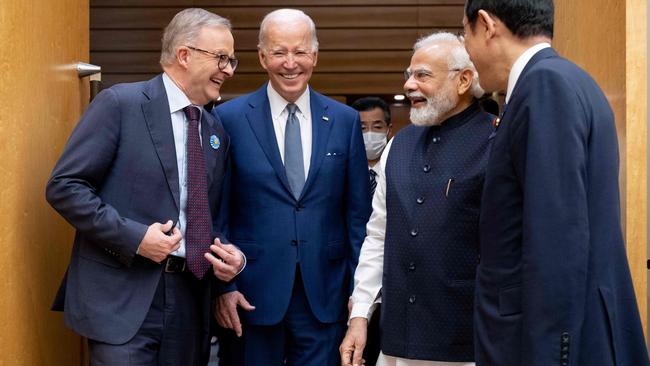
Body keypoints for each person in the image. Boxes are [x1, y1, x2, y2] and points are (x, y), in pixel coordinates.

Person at [46, 8, 245, 365]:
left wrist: (231, 260)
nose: (229, 69)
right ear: (184, 55)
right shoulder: (120, 103)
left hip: (190, 302)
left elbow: (206, 216)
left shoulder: (216, 132)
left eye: (232, 60)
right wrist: (135, 237)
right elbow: (65, 186)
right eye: (221, 58)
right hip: (122, 299)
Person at [461, 1, 650, 365]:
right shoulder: (570, 79)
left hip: (549, 344)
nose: (466, 50)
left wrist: (551, 356)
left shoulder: (544, 85)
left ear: (486, 25)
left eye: (464, 33)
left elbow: (556, 240)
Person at [212, 8, 372, 366]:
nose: (290, 63)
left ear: (314, 56)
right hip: (250, 296)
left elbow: (358, 217)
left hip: (326, 297)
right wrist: (224, 288)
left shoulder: (344, 121)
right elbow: (216, 212)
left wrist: (359, 296)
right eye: (279, 52)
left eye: (300, 52)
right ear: (262, 56)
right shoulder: (228, 119)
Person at [340, 32, 493, 366]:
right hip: (398, 339)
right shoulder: (399, 145)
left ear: (464, 80)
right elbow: (378, 235)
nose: (409, 85)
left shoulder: (497, 141)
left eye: (423, 75)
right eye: (408, 75)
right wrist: (360, 315)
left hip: (467, 342)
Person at [350, 96, 393, 366]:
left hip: (389, 285)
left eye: (377, 127)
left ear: (388, 129)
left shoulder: (398, 166)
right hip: (349, 286)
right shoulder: (343, 171)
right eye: (362, 128)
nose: (370, 135)